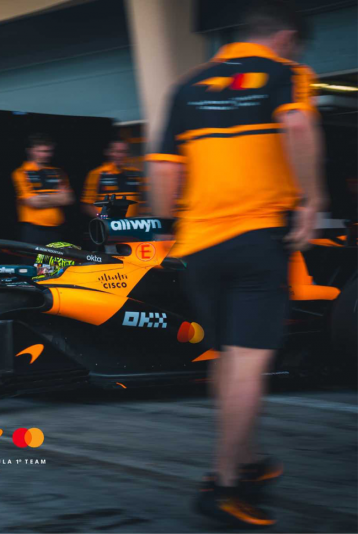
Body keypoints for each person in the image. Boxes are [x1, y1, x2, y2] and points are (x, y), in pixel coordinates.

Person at [147, 1, 326, 528]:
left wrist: (166, 227)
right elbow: (297, 126)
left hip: (198, 246)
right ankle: (224, 485)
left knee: (227, 357)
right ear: (286, 38)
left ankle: (247, 460)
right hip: (256, 239)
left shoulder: (186, 86)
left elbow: (162, 170)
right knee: (249, 364)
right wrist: (311, 200)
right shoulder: (287, 74)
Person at [11, 134, 74, 244]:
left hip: (57, 229)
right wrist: (57, 197)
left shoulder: (58, 172)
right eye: (40, 151)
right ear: (30, 151)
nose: (45, 155)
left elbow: (68, 199)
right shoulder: (21, 172)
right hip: (33, 229)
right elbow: (32, 202)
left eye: (48, 151)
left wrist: (41, 197)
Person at [81, 138, 145, 218]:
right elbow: (87, 205)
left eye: (124, 152)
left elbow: (142, 203)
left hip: (132, 224)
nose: (120, 155)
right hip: (107, 224)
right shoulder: (97, 174)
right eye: (117, 152)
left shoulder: (136, 174)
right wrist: (102, 218)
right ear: (108, 152)